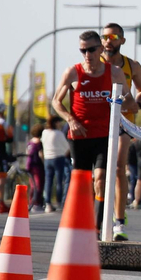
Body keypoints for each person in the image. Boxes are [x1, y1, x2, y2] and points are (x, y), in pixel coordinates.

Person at [53, 30, 131, 230]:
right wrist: (70, 119)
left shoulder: (113, 72)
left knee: (101, 179)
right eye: (83, 50)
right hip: (79, 136)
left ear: (100, 49)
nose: (87, 54)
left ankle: (97, 226)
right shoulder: (73, 72)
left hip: (105, 135)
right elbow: (56, 102)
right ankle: (81, 222)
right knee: (83, 182)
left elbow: (127, 99)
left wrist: (127, 102)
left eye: (91, 50)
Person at [100, 23, 141, 236]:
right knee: (100, 174)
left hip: (123, 122)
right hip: (100, 121)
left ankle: (119, 220)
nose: (108, 40)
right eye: (104, 36)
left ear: (122, 40)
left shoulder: (132, 66)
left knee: (119, 168)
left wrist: (137, 105)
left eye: (113, 36)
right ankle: (101, 214)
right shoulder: (95, 63)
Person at [42, 114, 71, 210]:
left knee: (48, 181)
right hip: (58, 158)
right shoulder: (58, 133)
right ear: (56, 123)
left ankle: (48, 203)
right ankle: (59, 202)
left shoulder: (44, 132)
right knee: (59, 181)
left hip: (47, 158)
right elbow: (67, 147)